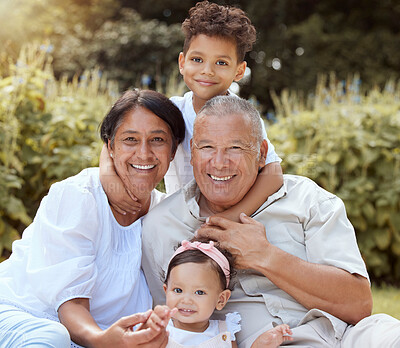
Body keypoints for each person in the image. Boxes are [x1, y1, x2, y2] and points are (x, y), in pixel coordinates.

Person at [141, 95, 400, 347]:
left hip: (346, 337)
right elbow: (172, 327)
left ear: (262, 153)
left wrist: (265, 256)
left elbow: (359, 304)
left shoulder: (309, 200)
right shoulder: (164, 226)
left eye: (235, 147)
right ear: (192, 154)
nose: (219, 163)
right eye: (207, 147)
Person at [0, 89, 185, 347]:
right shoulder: (79, 196)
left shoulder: (167, 216)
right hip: (27, 316)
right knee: (52, 339)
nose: (144, 153)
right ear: (110, 146)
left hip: (96, 338)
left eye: (157, 140)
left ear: (173, 150)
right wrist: (102, 340)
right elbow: (70, 304)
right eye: (130, 139)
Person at [100, 0, 283, 222]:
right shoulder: (171, 111)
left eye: (221, 63)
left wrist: (232, 217)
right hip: (182, 220)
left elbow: (273, 174)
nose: (207, 71)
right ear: (182, 62)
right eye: (197, 59)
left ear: (239, 71)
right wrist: (109, 177)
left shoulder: (243, 118)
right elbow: (114, 140)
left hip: (237, 215)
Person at [145, 239, 293, 348]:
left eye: (199, 292)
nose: (186, 300)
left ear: (221, 300)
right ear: (166, 291)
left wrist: (260, 345)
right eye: (178, 290)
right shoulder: (158, 330)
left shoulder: (224, 332)